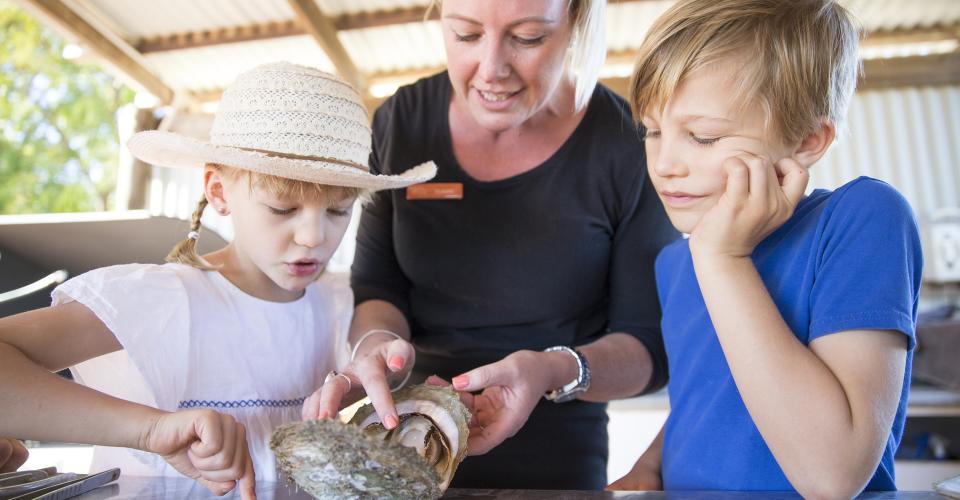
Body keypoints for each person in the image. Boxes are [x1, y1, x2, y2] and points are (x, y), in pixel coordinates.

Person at [0, 62, 435, 498]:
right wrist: (151, 430)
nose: (314, 237)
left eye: (339, 210)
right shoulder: (163, 297)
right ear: (219, 191)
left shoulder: (337, 303)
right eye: (283, 209)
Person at [303, 0, 678, 490]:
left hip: (556, 465)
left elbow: (648, 348)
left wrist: (553, 370)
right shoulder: (401, 124)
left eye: (527, 38)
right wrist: (377, 349)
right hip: (405, 448)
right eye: (465, 34)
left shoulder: (624, 144)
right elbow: (379, 288)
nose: (492, 69)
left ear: (577, 23)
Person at [606, 0, 923, 497]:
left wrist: (724, 262)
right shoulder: (676, 262)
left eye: (704, 137)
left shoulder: (861, 219)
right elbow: (715, 397)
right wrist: (653, 464)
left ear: (807, 140)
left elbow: (832, 476)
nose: (665, 163)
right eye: (653, 131)